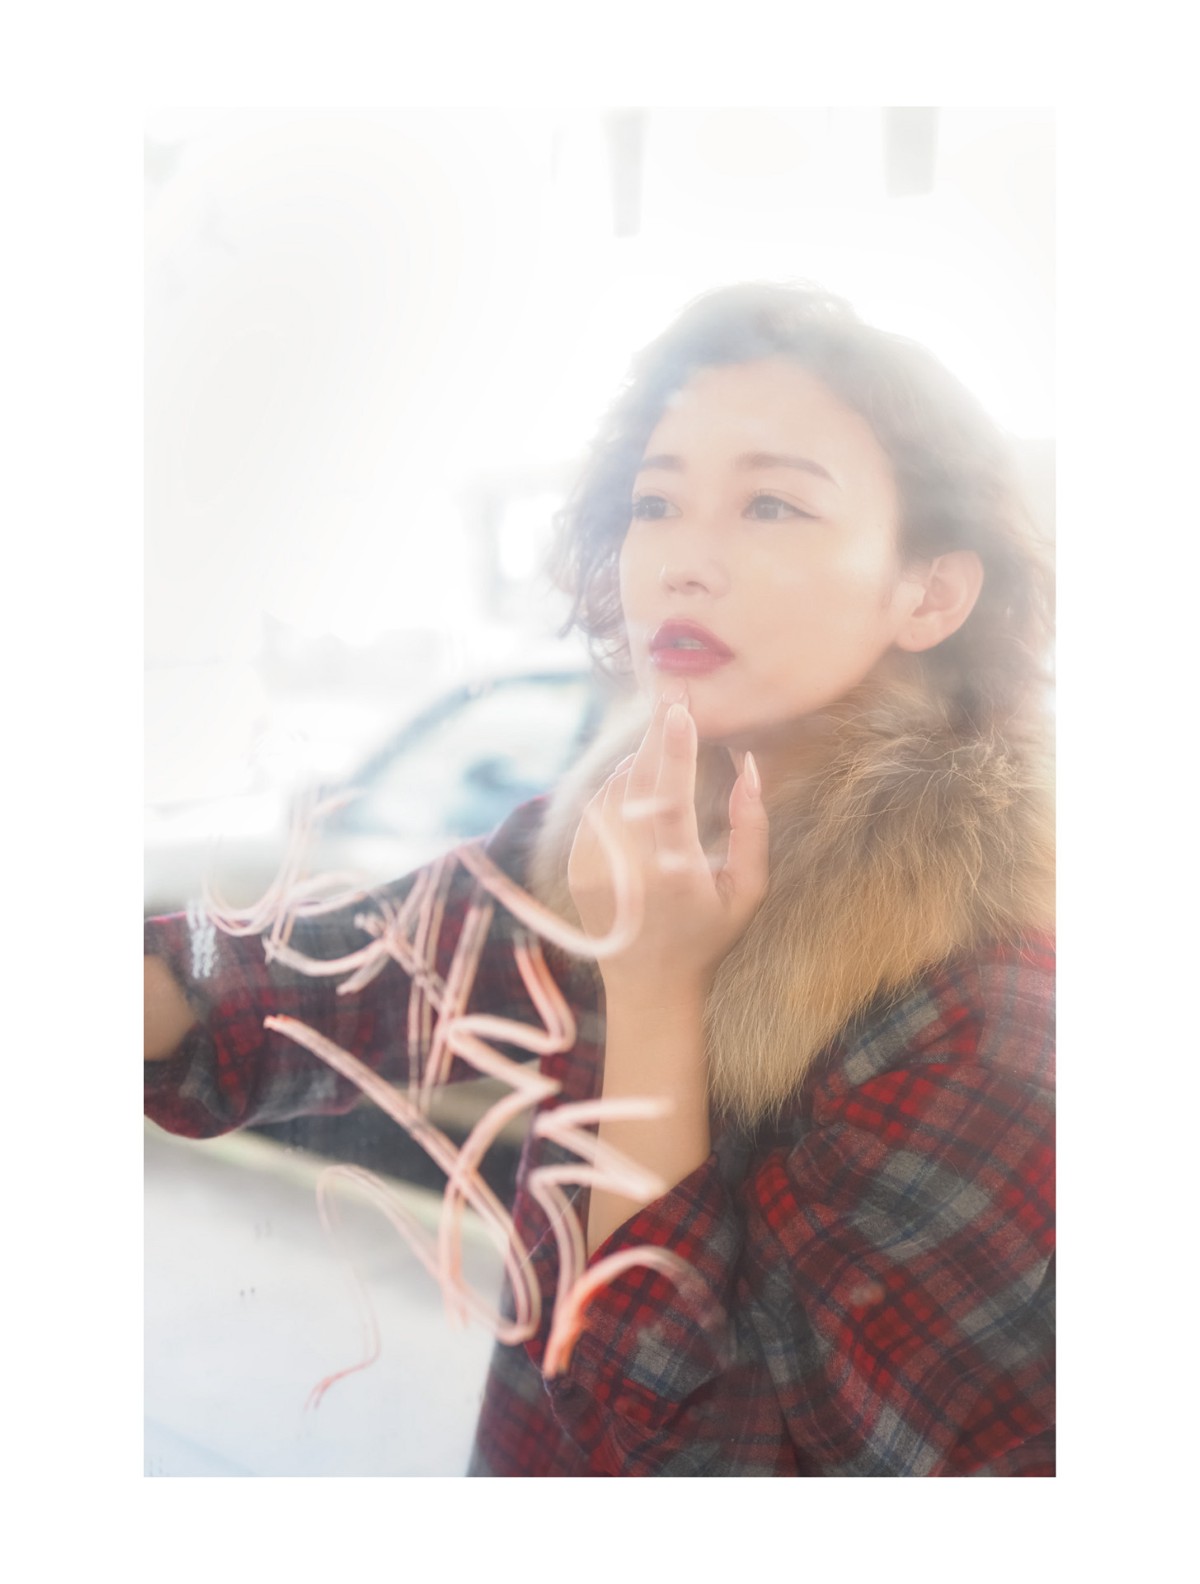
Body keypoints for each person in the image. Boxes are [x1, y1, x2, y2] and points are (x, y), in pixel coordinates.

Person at [144, 281, 1055, 1476]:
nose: (680, 563)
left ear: (928, 592)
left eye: (772, 503)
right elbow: (322, 984)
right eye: (655, 502)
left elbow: (687, 1453)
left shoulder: (994, 1018)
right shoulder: (620, 831)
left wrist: (654, 990)